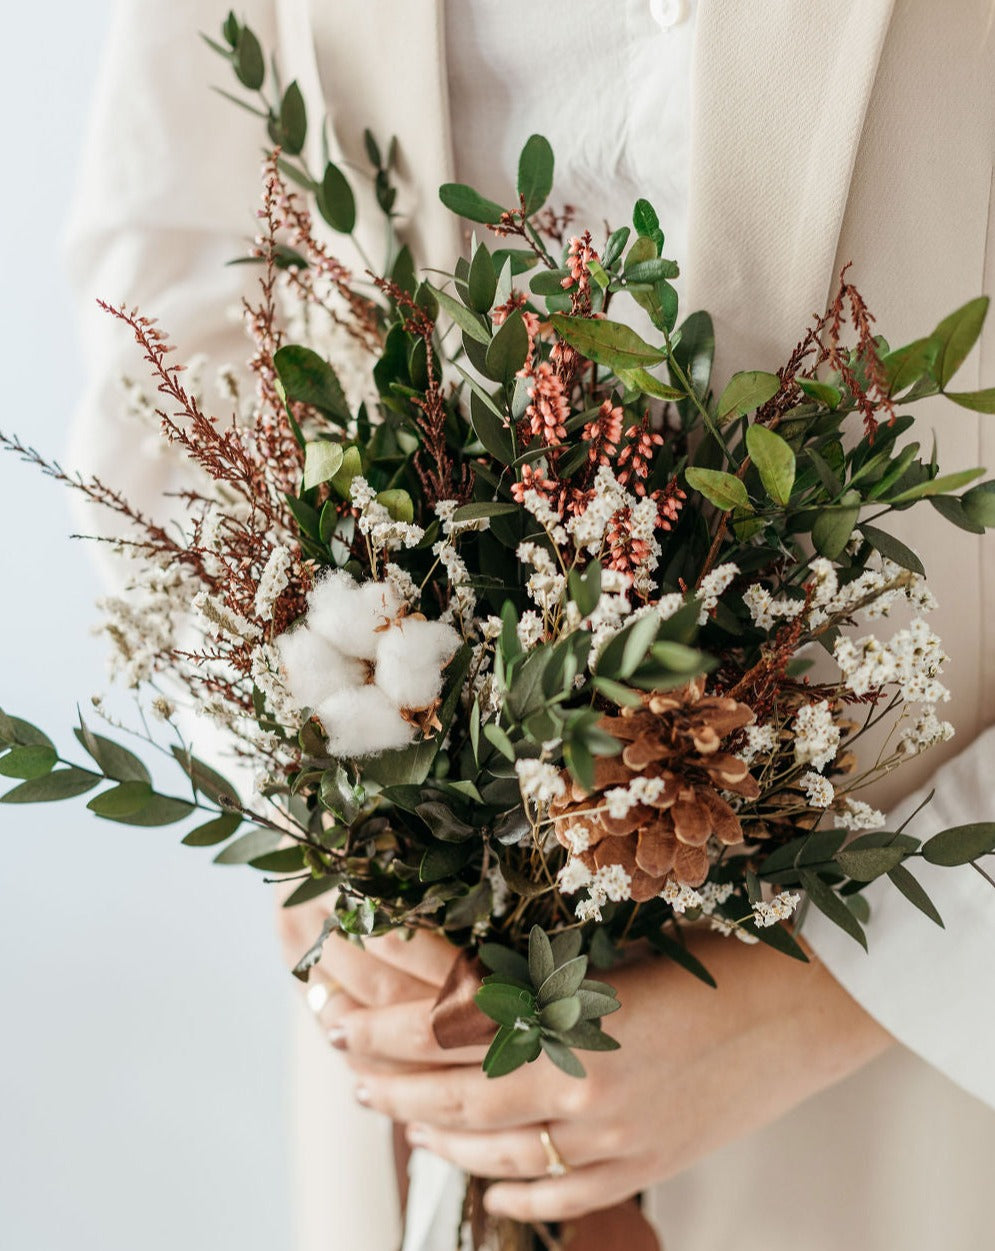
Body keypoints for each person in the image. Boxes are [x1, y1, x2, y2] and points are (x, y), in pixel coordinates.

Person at [67, 2, 995, 1248]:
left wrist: (848, 991)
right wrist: (319, 799)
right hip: (424, 990)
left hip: (924, 1011)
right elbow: (184, 281)